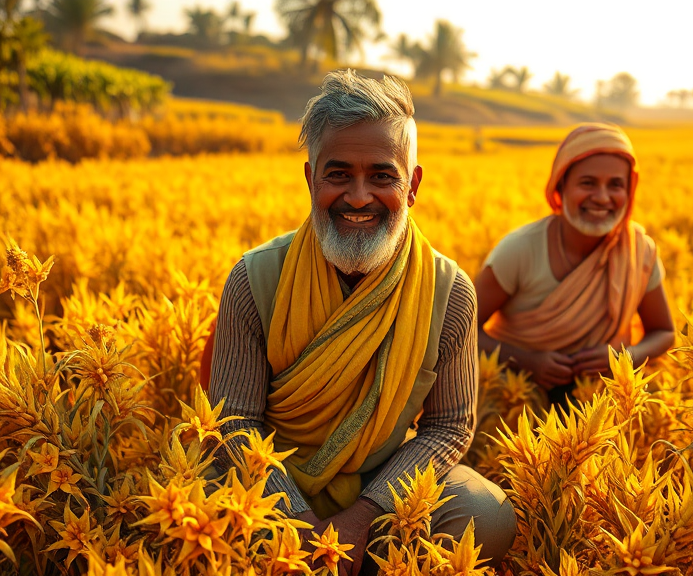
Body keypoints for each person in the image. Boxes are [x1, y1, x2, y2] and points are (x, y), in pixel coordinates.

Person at [208, 70, 515, 575]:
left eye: (381, 176)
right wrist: (296, 519)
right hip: (270, 487)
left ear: (412, 185)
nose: (357, 197)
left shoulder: (449, 291)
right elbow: (234, 423)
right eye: (338, 174)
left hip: (381, 488)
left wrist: (364, 517)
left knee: (483, 512)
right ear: (310, 179)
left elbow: (448, 426)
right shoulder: (255, 278)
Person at [474, 123, 675, 405]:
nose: (602, 198)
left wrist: (623, 358)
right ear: (561, 186)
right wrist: (528, 361)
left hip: (600, 399)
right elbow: (461, 329)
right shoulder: (519, 249)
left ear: (630, 192)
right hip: (515, 392)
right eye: (588, 183)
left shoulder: (639, 251)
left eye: (616, 185)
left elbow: (664, 332)